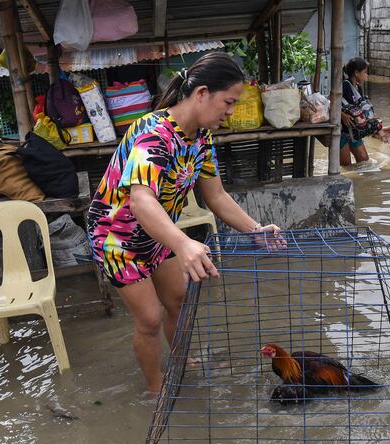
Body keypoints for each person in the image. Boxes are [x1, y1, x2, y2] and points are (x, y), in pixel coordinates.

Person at [87, 52, 284, 393]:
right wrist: (182, 242)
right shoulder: (154, 134)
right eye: (229, 102)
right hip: (116, 235)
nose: (231, 111)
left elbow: (217, 196)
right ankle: (155, 388)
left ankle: (180, 360)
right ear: (202, 93)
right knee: (149, 318)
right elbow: (141, 199)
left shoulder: (201, 138)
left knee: (178, 298)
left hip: (156, 231)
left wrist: (255, 231)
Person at [340, 57, 372, 166]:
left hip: (353, 130)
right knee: (346, 165)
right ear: (356, 73)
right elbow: (330, 102)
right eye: (365, 72)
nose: (366, 75)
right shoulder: (345, 85)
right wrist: (342, 114)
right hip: (341, 131)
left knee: (364, 161)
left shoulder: (358, 88)